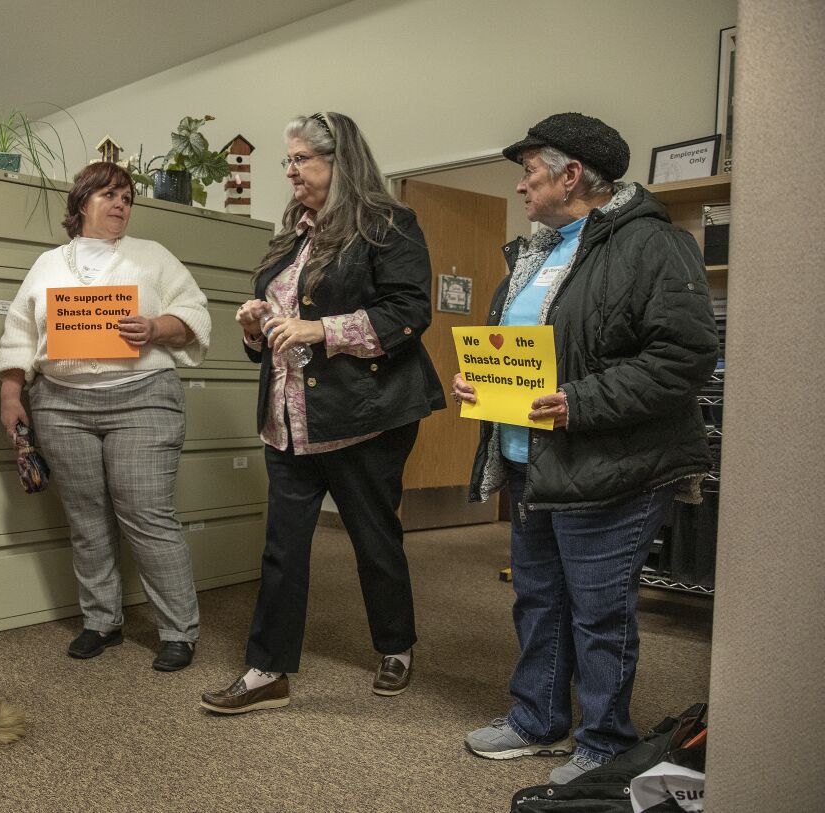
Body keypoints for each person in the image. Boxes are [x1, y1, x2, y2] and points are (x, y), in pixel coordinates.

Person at [454, 112, 718, 784]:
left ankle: (604, 741)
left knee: (600, 611)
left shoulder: (652, 245)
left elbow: (684, 355)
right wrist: (480, 382)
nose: (519, 186)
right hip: (530, 461)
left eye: (528, 170)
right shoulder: (537, 252)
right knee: (538, 597)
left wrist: (580, 401)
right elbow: (529, 351)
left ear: (571, 174)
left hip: (612, 465)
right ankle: (538, 719)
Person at [200, 112, 446, 714]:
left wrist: (321, 328)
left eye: (303, 158)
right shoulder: (292, 236)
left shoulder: (388, 224)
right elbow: (279, 327)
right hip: (288, 418)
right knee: (283, 547)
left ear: (341, 161)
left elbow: (411, 312)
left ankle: (396, 646)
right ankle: (267, 671)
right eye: (287, 160)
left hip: (365, 414)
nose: (291, 171)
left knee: (373, 537)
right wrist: (255, 324)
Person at [0, 162, 211, 672]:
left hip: (142, 398)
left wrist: (157, 326)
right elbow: (21, 332)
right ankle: (101, 621)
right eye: (109, 195)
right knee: (87, 519)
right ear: (81, 203)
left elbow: (196, 313)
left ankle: (178, 630)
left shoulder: (151, 256)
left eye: (128, 197)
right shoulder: (48, 264)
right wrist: (10, 394)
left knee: (148, 516)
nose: (121, 204)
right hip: (61, 404)